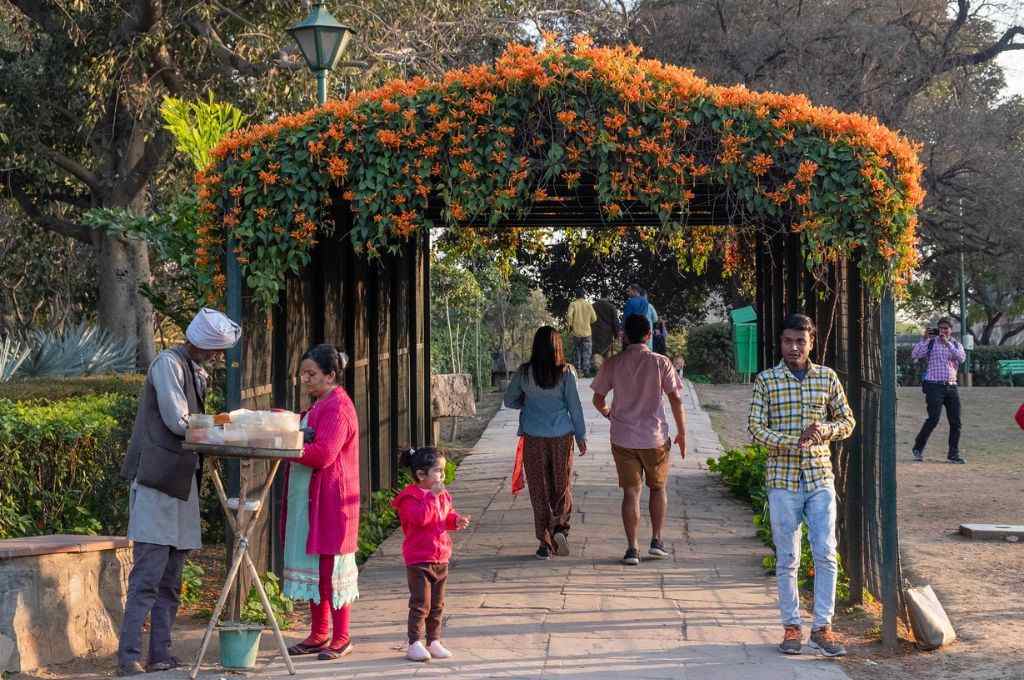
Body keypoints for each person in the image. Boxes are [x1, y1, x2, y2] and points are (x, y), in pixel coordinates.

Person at [117, 308, 240, 676]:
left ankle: (160, 653)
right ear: (199, 343)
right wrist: (221, 429)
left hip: (182, 487)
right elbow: (178, 421)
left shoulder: (194, 370)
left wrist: (222, 426)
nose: (217, 358)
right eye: (215, 351)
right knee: (147, 580)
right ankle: (128, 658)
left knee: (171, 581)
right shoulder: (167, 365)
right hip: (158, 487)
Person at [747, 314, 855, 658]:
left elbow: (847, 420)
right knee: (788, 557)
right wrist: (793, 441)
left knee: (825, 552)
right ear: (780, 343)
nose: (794, 347)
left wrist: (825, 430)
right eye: (788, 341)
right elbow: (755, 428)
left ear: (811, 342)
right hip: (782, 479)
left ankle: (823, 627)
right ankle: (792, 627)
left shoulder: (827, 378)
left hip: (820, 477)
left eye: (800, 341)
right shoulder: (766, 381)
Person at [282, 344, 361, 661]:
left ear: (330, 375)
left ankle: (341, 637)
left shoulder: (338, 408)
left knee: (331, 568)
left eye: (311, 374)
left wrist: (286, 446)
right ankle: (318, 633)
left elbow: (324, 454)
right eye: (302, 373)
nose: (305, 379)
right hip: (315, 499)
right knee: (316, 567)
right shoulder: (320, 404)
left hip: (333, 501)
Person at [591, 314, 686, 566]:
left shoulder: (613, 363)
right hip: (654, 438)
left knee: (631, 493)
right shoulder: (661, 362)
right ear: (648, 335)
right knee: (658, 488)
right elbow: (676, 399)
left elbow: (597, 400)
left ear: (624, 336)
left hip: (622, 438)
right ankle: (656, 540)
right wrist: (682, 432)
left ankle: (632, 548)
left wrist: (610, 415)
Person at [503, 326, 588, 560]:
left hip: (533, 436)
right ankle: (560, 528)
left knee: (539, 489)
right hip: (561, 436)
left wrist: (528, 403)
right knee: (561, 486)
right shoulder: (567, 372)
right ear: (557, 347)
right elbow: (575, 407)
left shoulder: (524, 373)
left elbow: (509, 400)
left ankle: (544, 542)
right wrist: (581, 437)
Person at [392, 447, 471, 662]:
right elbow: (420, 519)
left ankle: (434, 640)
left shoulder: (442, 495)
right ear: (421, 474)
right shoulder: (409, 498)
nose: (442, 476)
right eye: (438, 471)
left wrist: (456, 521)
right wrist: (432, 498)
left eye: (443, 471)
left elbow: (446, 515)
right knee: (420, 603)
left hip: (440, 556)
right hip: (419, 558)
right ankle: (414, 642)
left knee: (437, 604)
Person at [911, 317, 967, 464]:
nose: (943, 331)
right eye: (941, 328)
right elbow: (915, 354)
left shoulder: (955, 344)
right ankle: (918, 447)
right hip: (933, 385)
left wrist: (947, 343)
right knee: (933, 419)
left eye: (946, 328)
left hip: (951, 386)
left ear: (951, 330)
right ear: (937, 329)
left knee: (956, 422)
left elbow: (961, 358)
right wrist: (924, 339)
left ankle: (953, 454)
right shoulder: (930, 343)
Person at [566, 288, 597, 376]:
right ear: (584, 295)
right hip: (587, 332)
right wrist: (587, 322)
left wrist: (570, 326)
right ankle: (586, 371)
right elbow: (594, 318)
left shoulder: (573, 304)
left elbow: (569, 316)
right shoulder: (588, 305)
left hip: (576, 332)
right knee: (587, 352)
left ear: (576, 295)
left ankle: (578, 371)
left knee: (577, 351)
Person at [622, 284, 658, 349]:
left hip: (631, 331)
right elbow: (653, 318)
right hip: (642, 332)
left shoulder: (630, 302)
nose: (628, 293)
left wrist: (623, 331)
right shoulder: (646, 302)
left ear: (635, 291)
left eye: (629, 291)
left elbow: (626, 318)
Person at [591, 297, 620, 369]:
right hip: (608, 333)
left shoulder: (593, 306)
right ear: (607, 298)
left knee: (597, 352)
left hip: (595, 332)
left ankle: (598, 369)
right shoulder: (611, 307)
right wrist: (617, 335)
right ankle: (607, 369)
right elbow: (615, 322)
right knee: (607, 352)